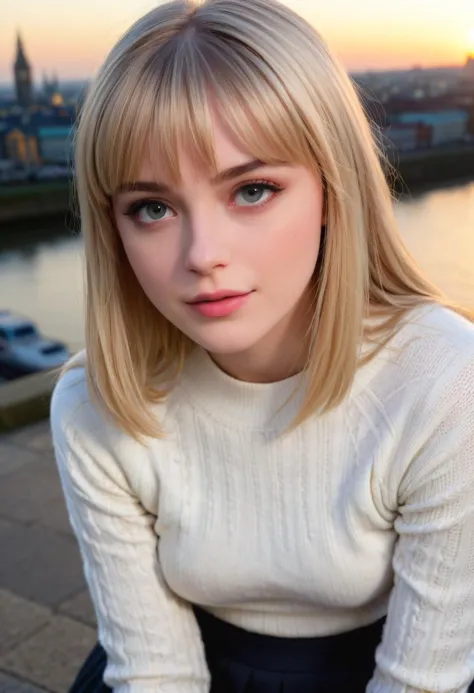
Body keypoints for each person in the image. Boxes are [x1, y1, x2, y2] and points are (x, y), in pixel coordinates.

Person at [50, 0, 474, 691]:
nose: (203, 255)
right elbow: (156, 671)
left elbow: (420, 681)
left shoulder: (445, 381)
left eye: (251, 190)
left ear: (334, 190)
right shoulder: (95, 404)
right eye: (151, 208)